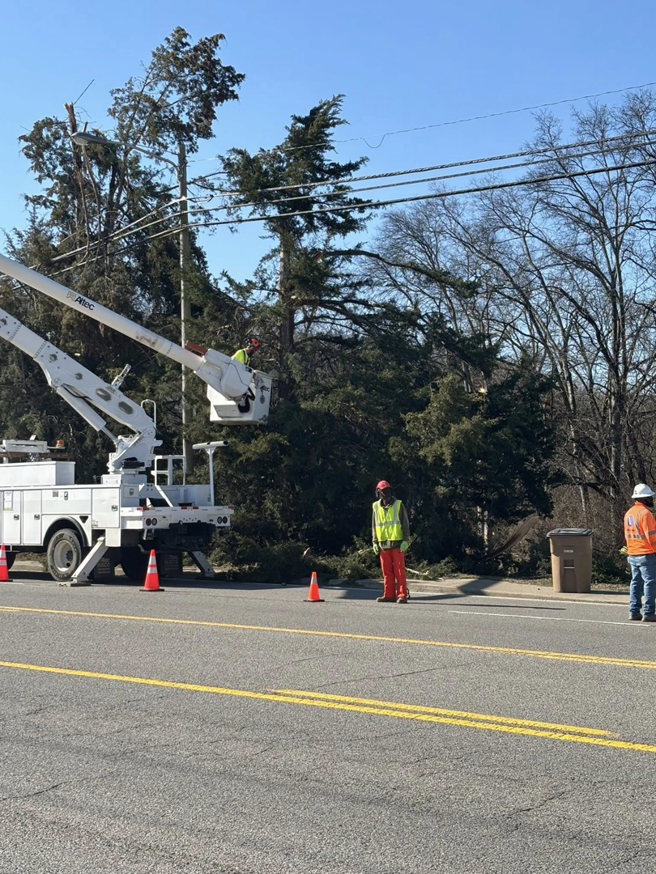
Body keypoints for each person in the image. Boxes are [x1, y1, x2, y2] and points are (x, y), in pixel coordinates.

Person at [372, 480, 410, 604]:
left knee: (399, 571)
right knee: (387, 572)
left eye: (387, 491)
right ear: (379, 492)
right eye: (384, 491)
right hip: (383, 545)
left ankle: (402, 595)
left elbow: (405, 524)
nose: (386, 494)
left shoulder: (398, 505)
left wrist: (405, 540)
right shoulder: (376, 506)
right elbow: (374, 525)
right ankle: (388, 595)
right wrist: (374, 542)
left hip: (397, 544)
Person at [624, 484, 656, 622]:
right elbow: (652, 536)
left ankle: (634, 612)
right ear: (644, 498)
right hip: (646, 553)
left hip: (633, 553)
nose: (652, 499)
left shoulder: (629, 513)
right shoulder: (645, 513)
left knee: (635, 583)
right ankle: (649, 613)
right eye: (650, 497)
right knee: (650, 583)